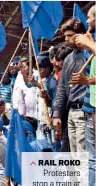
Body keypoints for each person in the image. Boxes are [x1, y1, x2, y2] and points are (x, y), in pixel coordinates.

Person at [52, 18, 87, 153]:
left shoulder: (90, 54)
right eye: (65, 36)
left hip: (85, 113)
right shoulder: (68, 59)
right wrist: (56, 114)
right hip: (71, 113)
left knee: (84, 156)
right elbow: (61, 89)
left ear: (81, 34)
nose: (66, 39)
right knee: (74, 157)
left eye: (70, 36)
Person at [72, 5, 96, 186]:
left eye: (89, 17)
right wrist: (88, 80)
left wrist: (90, 45)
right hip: (91, 109)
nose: (86, 21)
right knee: (92, 159)